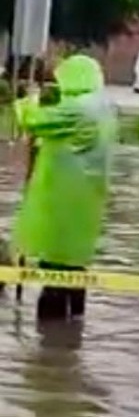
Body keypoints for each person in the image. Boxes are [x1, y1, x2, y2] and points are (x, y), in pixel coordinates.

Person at [11, 54, 117, 322]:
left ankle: (50, 340)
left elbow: (33, 121)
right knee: (75, 263)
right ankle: (71, 335)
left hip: (64, 196)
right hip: (89, 196)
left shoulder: (78, 109)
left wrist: (29, 98)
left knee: (54, 265)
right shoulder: (103, 106)